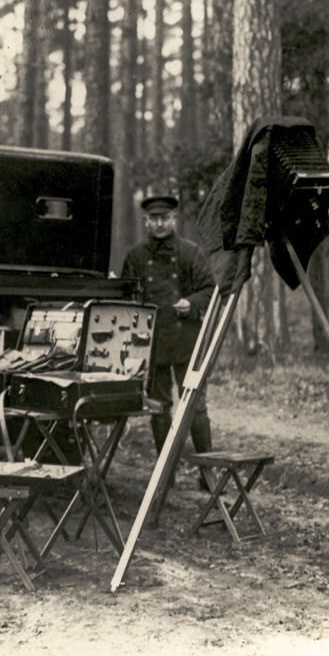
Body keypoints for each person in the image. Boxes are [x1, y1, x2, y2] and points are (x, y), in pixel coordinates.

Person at [121, 195, 217, 468]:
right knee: (160, 407)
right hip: (152, 343)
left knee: (195, 404)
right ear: (146, 222)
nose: (160, 224)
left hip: (187, 340)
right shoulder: (136, 257)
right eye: (154, 219)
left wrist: (192, 303)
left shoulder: (190, 252)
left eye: (165, 218)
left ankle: (207, 471)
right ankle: (166, 472)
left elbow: (210, 290)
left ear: (174, 220)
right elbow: (127, 299)